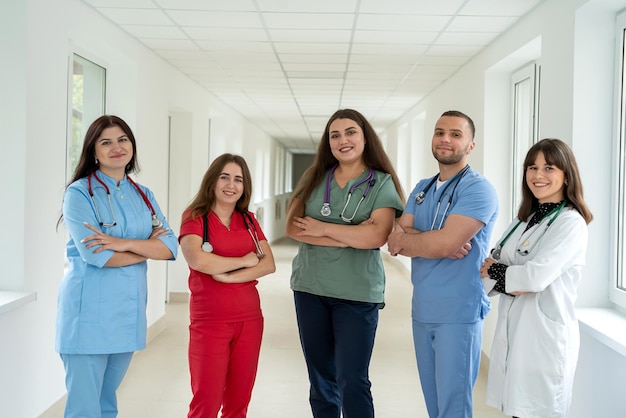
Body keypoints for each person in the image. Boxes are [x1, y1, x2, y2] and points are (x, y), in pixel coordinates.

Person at [55, 115, 178, 417]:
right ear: (93, 151)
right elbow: (99, 257)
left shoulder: (143, 195)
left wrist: (123, 243)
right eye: (105, 142)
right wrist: (147, 248)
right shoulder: (79, 193)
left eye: (122, 139)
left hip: (126, 315)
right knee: (84, 408)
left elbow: (169, 247)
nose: (116, 147)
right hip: (88, 319)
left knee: (107, 403)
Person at [286, 108, 405, 418]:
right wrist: (352, 234)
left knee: (352, 379)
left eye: (351, 132)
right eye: (335, 135)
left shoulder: (381, 183)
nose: (343, 140)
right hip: (310, 288)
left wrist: (323, 228)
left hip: (357, 293)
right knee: (321, 380)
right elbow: (293, 228)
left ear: (365, 138)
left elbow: (376, 236)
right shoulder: (313, 177)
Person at [387, 110, 499, 417]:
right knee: (434, 404)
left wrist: (429, 241)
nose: (445, 139)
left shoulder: (478, 189)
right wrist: (433, 243)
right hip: (423, 308)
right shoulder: (422, 188)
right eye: (439, 132)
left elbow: (444, 243)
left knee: (453, 406)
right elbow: (394, 242)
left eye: (455, 134)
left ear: (471, 145)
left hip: (458, 312)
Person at [480, 138, 593, 418]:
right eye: (532, 167)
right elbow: (487, 273)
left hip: (544, 338)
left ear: (567, 175)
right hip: (516, 333)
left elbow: (533, 278)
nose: (538, 175)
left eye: (549, 168)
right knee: (519, 411)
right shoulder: (523, 220)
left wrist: (501, 273)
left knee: (538, 411)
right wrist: (506, 277)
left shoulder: (570, 223)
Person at [179, 153, 276, 418]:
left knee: (238, 402)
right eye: (225, 177)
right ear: (212, 180)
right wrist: (244, 260)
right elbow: (197, 259)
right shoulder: (195, 217)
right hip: (210, 321)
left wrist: (230, 276)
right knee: (206, 402)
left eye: (238, 179)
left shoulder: (248, 221)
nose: (231, 185)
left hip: (249, 320)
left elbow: (268, 264)